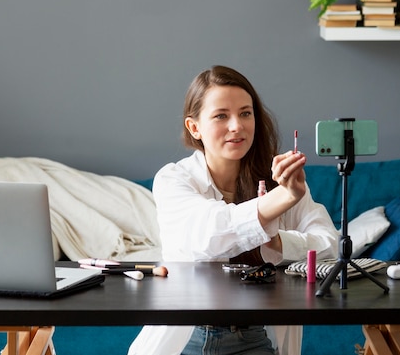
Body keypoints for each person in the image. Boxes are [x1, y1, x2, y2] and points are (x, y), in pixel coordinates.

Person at [128, 65, 338, 355]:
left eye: (245, 113)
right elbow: (209, 234)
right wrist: (282, 198)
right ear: (194, 127)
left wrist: (277, 242)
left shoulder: (282, 180)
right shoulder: (173, 179)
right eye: (221, 116)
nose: (237, 125)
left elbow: (329, 245)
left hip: (254, 336)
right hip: (189, 336)